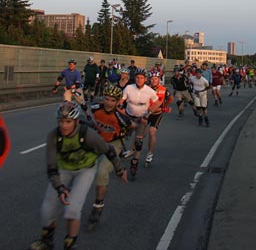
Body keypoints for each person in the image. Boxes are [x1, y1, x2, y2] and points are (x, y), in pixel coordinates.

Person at [29, 100, 127, 250]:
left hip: (85, 169)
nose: (64, 126)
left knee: (73, 209)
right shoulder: (53, 137)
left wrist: (120, 171)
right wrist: (60, 188)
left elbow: (109, 151)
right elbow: (51, 167)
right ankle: (47, 240)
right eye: (61, 122)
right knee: (47, 209)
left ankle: (70, 242)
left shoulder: (87, 135)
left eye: (68, 121)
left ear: (75, 121)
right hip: (64, 168)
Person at [87, 85, 132, 229]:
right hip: (97, 140)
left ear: (117, 101)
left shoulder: (122, 118)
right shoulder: (95, 108)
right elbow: (88, 116)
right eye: (106, 99)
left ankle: (98, 205)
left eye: (112, 100)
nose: (108, 103)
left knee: (101, 172)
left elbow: (131, 127)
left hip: (113, 144)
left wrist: (125, 134)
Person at [120, 69, 161, 178]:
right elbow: (121, 100)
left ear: (145, 79)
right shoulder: (129, 88)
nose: (139, 80)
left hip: (142, 118)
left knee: (139, 142)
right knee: (122, 136)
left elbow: (158, 102)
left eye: (142, 78)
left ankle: (134, 162)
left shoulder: (149, 91)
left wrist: (149, 114)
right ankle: (119, 153)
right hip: (129, 117)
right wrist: (120, 109)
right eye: (137, 78)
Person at [145, 72, 173, 166]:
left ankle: (150, 153)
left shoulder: (164, 89)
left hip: (157, 113)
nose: (153, 81)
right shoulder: (146, 89)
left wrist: (165, 107)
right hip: (147, 112)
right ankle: (133, 150)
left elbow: (170, 99)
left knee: (152, 132)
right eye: (152, 79)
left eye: (156, 79)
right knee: (140, 132)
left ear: (159, 79)